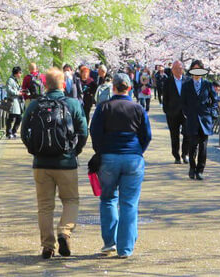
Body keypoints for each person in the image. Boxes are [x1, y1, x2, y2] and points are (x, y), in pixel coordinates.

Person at [21, 67, 88, 259]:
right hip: (66, 162)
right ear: (63, 84)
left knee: (44, 206)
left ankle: (47, 246)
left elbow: (24, 131)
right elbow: (83, 131)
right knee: (71, 200)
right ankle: (64, 231)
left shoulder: (35, 104)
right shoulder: (73, 104)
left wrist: (33, 150)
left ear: (44, 85)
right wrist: (75, 151)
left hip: (41, 164)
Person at [89, 73, 152, 259]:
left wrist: (100, 151)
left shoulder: (103, 107)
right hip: (132, 157)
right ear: (130, 88)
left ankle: (109, 243)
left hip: (109, 157)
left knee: (108, 199)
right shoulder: (138, 108)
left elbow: (95, 132)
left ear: (113, 88)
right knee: (129, 203)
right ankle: (125, 248)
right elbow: (146, 135)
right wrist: (138, 150)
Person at [181, 59, 218, 180]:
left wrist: (211, 112)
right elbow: (183, 102)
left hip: (205, 119)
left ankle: (200, 170)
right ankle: (192, 168)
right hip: (192, 119)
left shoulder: (208, 84)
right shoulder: (186, 85)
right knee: (192, 146)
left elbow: (215, 100)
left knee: (203, 146)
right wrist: (187, 113)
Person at [162, 60, 189, 164]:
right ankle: (176, 156)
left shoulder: (188, 80)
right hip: (172, 112)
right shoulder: (168, 81)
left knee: (187, 133)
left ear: (183, 69)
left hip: (186, 112)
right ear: (172, 70)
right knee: (174, 135)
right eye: (176, 68)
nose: (178, 70)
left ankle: (185, 154)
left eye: (180, 68)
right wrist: (166, 110)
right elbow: (165, 97)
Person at [5, 66, 24, 138]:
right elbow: (8, 90)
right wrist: (17, 93)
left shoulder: (15, 80)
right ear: (16, 73)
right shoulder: (10, 80)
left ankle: (13, 131)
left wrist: (21, 91)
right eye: (20, 73)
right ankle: (9, 132)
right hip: (12, 101)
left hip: (17, 101)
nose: (20, 74)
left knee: (18, 117)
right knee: (12, 117)